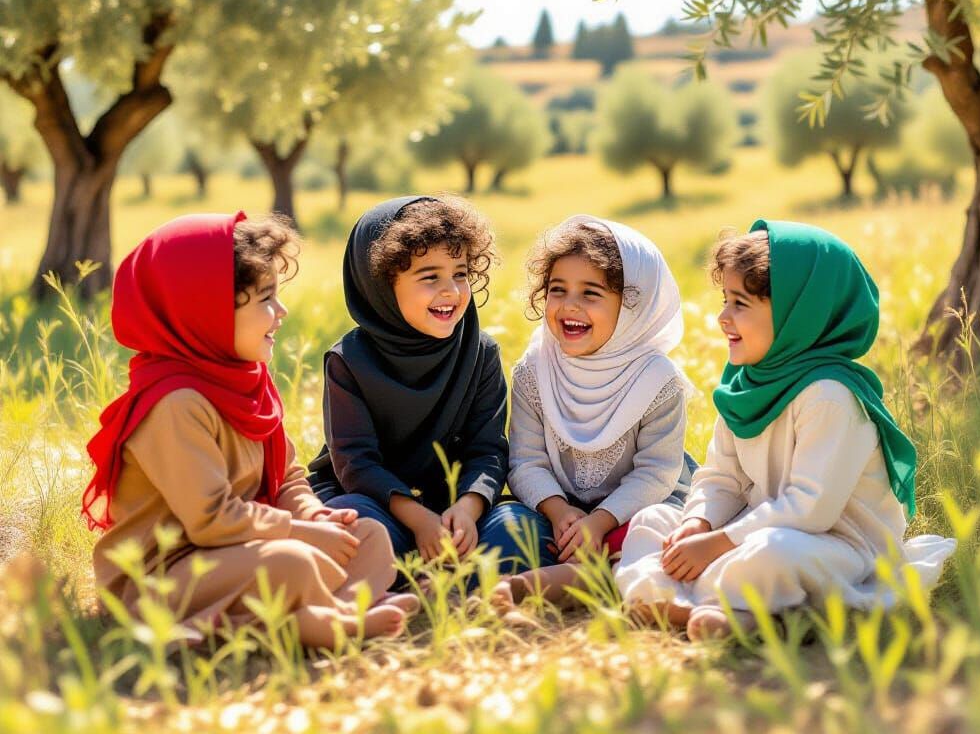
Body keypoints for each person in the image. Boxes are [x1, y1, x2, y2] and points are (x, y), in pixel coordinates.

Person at [85, 212, 415, 648]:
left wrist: (314, 515)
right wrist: (299, 531)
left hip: (240, 549)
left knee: (367, 536)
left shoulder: (248, 382)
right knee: (290, 561)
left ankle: (333, 612)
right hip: (167, 575)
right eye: (264, 300)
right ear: (204, 311)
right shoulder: (173, 405)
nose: (281, 312)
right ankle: (314, 622)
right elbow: (211, 519)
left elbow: (288, 478)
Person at [616, 220, 956, 640]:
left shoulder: (830, 396)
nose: (723, 317)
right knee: (654, 519)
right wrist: (700, 524)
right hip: (749, 528)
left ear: (801, 313)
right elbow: (720, 477)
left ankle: (729, 607)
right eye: (725, 300)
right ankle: (719, 606)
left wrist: (720, 543)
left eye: (740, 304)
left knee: (773, 554)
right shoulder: (746, 384)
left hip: (836, 545)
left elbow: (809, 508)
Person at [492, 215, 697, 610]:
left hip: (635, 508)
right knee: (505, 531)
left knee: (652, 534)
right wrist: (559, 511)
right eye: (557, 290)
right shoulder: (536, 369)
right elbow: (525, 461)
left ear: (632, 307)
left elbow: (656, 472)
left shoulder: (657, 380)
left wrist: (600, 521)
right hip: (558, 511)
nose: (570, 306)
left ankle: (576, 577)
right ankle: (598, 572)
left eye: (591, 293)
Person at [308, 196, 517, 569]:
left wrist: (468, 508)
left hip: (455, 506)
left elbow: (487, 450)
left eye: (460, 273)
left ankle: (464, 585)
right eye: (429, 276)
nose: (451, 291)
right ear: (382, 285)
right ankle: (408, 573)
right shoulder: (348, 361)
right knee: (351, 527)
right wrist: (419, 520)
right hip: (374, 501)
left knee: (516, 528)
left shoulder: (481, 352)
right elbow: (355, 463)